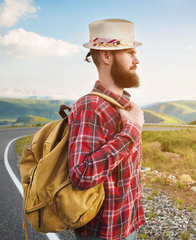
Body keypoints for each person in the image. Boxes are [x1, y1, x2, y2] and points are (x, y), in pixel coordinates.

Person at [68, 19, 145, 240]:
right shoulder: (90, 107)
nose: (137, 60)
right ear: (107, 55)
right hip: (103, 233)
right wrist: (131, 131)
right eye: (130, 53)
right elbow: (80, 175)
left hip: (126, 224)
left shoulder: (123, 105)